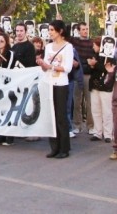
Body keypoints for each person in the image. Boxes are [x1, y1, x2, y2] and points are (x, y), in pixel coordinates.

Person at [37, 20, 73, 159]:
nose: (50, 32)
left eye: (52, 30)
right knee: (51, 116)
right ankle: (54, 146)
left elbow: (67, 68)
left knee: (61, 116)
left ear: (60, 31)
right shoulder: (49, 46)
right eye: (49, 30)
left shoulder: (68, 47)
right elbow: (46, 66)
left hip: (61, 84)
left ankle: (64, 148)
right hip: (49, 82)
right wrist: (42, 64)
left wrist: (51, 66)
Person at [70, 22, 96, 135]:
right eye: (83, 29)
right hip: (76, 75)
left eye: (87, 29)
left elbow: (97, 56)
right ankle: (77, 125)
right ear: (78, 30)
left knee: (90, 102)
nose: (85, 31)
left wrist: (93, 62)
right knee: (77, 102)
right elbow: (65, 35)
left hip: (88, 75)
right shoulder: (75, 42)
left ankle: (91, 125)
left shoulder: (92, 43)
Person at [87, 37, 115, 142]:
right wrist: (92, 66)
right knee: (96, 110)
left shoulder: (110, 57)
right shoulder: (94, 56)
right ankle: (97, 132)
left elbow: (107, 69)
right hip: (95, 86)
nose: (93, 47)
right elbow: (90, 70)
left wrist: (95, 65)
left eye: (95, 45)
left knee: (107, 111)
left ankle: (108, 134)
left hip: (105, 87)